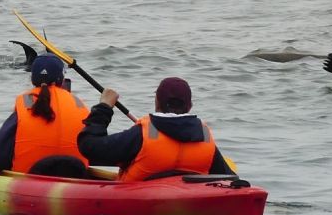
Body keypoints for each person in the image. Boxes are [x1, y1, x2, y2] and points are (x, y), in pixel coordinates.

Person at [77, 77, 233, 180]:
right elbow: (231, 179)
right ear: (190, 106)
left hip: (139, 212)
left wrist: (104, 107)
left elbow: (88, 146)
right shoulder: (205, 137)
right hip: (190, 211)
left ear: (156, 102)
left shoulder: (141, 135)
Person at [0, 55, 93, 176]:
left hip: (30, 178)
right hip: (76, 176)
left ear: (32, 79)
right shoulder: (79, 104)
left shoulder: (27, 103)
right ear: (62, 80)